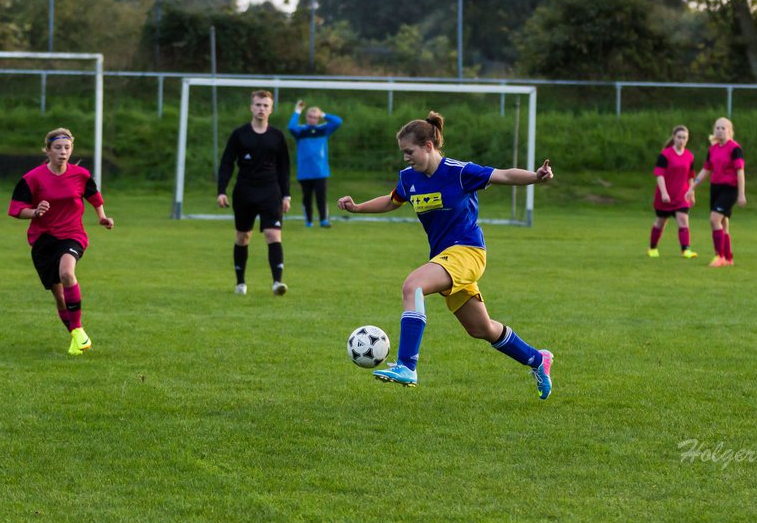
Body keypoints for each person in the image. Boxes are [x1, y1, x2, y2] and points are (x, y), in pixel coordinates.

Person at [336, 111, 556, 399]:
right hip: (445, 258)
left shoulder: (459, 171)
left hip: (468, 251)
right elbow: (392, 201)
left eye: (409, 151)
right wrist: (357, 208)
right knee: (481, 328)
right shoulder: (409, 178)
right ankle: (537, 359)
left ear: (428, 146)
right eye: (403, 153)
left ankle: (406, 365)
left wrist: (535, 177)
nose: (406, 158)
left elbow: (502, 174)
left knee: (413, 285)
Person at [8, 127, 114, 356]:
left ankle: (77, 330)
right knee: (59, 297)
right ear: (47, 150)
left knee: (67, 273)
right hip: (43, 241)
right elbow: (16, 210)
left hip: (72, 234)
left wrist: (102, 217)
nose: (62, 152)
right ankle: (76, 337)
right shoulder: (32, 178)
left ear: (71, 149)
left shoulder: (80, 175)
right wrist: (35, 211)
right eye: (57, 148)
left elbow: (94, 197)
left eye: (67, 148)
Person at [218, 90, 292, 296]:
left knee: (273, 234)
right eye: (258, 105)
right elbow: (226, 163)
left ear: (271, 109)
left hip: (271, 191)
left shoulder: (277, 136)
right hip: (245, 191)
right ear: (251, 107)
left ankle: (278, 282)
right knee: (243, 237)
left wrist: (286, 195)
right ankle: (240, 283)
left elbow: (284, 168)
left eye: (265, 105)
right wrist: (221, 191)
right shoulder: (240, 134)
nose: (261, 108)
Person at [687, 117, 745, 267]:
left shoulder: (734, 148)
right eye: (717, 128)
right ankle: (728, 258)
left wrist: (741, 193)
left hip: (729, 189)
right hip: (716, 188)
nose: (719, 130)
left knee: (714, 220)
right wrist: (691, 188)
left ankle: (718, 256)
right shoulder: (712, 149)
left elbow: (740, 172)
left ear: (729, 131)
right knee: (723, 223)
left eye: (723, 128)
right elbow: (706, 170)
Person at [288, 99, 343, 228]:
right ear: (306, 117)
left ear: (318, 118)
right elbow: (291, 127)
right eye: (310, 116)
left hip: (320, 171)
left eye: (315, 117)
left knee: (321, 197)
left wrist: (323, 114)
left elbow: (338, 121)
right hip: (305, 171)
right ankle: (309, 221)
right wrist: (297, 111)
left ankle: (324, 220)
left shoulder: (323, 129)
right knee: (307, 198)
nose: (312, 119)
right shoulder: (300, 131)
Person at [648, 125, 699, 258]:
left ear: (687, 139)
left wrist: (691, 192)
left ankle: (686, 250)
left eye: (684, 138)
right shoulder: (665, 155)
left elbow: (691, 176)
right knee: (660, 222)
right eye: (679, 137)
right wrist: (664, 192)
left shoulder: (689, 156)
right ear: (674, 137)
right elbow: (659, 175)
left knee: (683, 219)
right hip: (665, 196)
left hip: (681, 195)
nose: (681, 140)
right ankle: (652, 248)